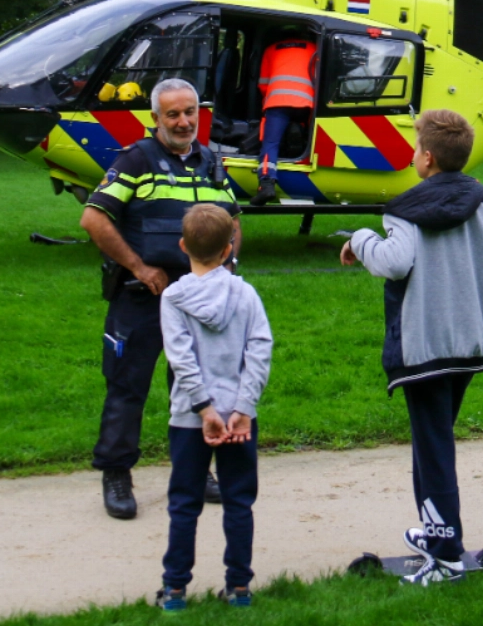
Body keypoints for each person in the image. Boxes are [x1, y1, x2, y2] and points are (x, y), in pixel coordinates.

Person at [341, 109, 483, 586]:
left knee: (433, 449)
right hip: (468, 346)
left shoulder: (404, 207)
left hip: (422, 349)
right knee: (436, 442)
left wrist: (360, 239)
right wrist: (480, 309)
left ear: (426, 158)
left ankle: (445, 555)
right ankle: (435, 528)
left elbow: (395, 262)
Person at [80, 78, 241, 520]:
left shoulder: (212, 162)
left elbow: (231, 219)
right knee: (127, 386)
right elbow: (93, 219)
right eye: (173, 114)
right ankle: (116, 474)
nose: (184, 121)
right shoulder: (136, 160)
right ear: (156, 119)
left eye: (190, 112)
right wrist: (138, 267)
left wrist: (227, 268)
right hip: (143, 297)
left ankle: (194, 472)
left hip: (198, 302)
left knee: (195, 386)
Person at [156, 204, 272, 612]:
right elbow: (260, 349)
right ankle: (239, 587)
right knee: (239, 500)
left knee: (184, 502)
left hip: (191, 419)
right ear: (229, 249)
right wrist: (243, 405)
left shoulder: (173, 297)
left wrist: (204, 410)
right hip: (239, 419)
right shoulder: (246, 293)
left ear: (183, 245)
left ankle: (174, 591)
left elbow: (180, 359)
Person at [251, 31, 317, 206]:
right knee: (308, 136)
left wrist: (268, 101)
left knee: (270, 143)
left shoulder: (271, 49)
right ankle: (299, 151)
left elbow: (263, 84)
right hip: (306, 103)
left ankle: (266, 184)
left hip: (277, 102)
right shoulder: (314, 48)